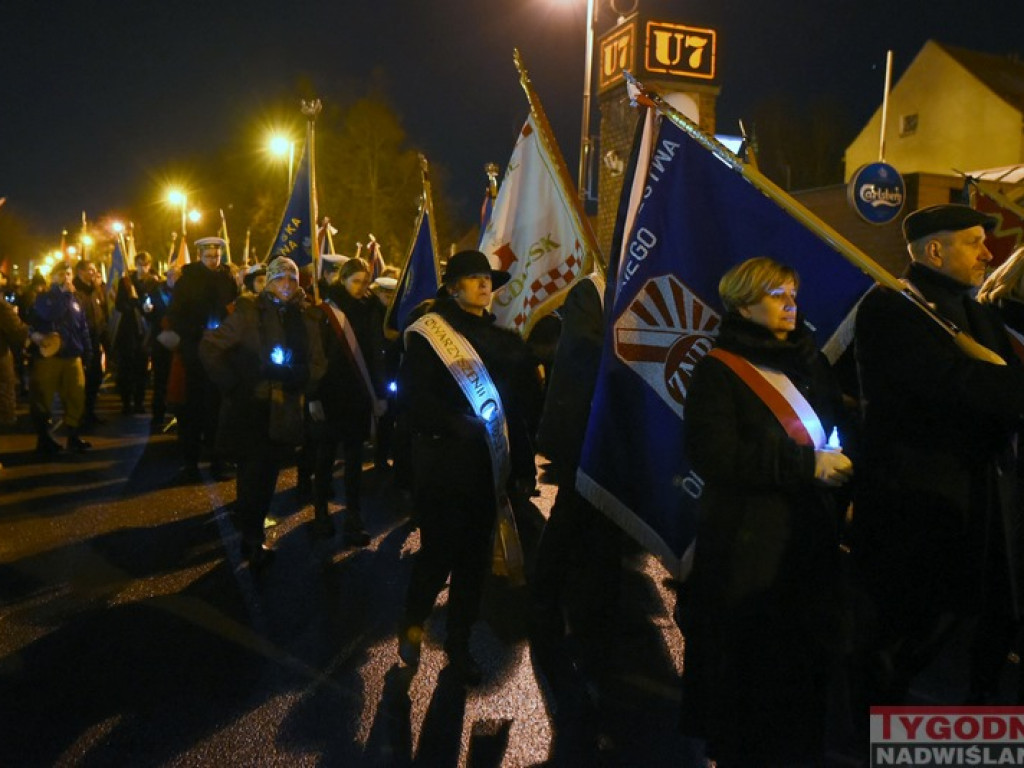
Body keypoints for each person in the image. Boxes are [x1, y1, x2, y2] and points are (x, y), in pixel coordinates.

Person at [679, 257, 853, 765]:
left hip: (810, 541)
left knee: (803, 679)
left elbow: (835, 431)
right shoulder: (720, 369)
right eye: (777, 295)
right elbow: (713, 454)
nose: (791, 305)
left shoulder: (811, 362)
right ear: (743, 303)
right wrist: (803, 465)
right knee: (753, 682)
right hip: (748, 546)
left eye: (793, 294)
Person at [852, 204, 1024, 707]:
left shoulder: (972, 309)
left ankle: (980, 732)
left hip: (977, 501)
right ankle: (879, 742)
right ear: (934, 250)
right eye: (974, 242)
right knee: (905, 638)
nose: (987, 253)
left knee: (988, 622)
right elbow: (953, 386)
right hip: (914, 506)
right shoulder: (892, 308)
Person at [397, 249, 539, 685]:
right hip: (444, 464)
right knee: (438, 553)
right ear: (453, 287)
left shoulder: (502, 339)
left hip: (486, 469)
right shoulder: (429, 335)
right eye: (474, 278)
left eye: (487, 278)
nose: (484, 285)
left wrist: (522, 466)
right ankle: (414, 620)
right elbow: (413, 401)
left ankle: (459, 646)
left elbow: (514, 411)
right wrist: (457, 424)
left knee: (475, 564)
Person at [200, 256, 326, 569]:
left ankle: (251, 531)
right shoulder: (249, 311)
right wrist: (233, 384)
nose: (286, 285)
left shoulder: (307, 315)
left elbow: (318, 363)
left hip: (284, 409)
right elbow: (210, 346)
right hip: (252, 408)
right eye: (280, 279)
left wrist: (299, 377)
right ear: (268, 281)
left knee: (268, 475)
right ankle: (252, 538)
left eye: (292, 279)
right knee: (251, 475)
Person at [532, 272, 624, 641]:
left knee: (612, 522)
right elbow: (583, 353)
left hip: (619, 434)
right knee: (571, 514)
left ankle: (601, 610)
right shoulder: (592, 290)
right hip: (584, 432)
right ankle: (544, 599)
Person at [304, 257, 385, 544]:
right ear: (343, 280)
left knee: (354, 460)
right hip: (329, 394)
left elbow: (376, 354)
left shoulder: (373, 308)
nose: (362, 287)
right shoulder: (325, 311)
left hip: (359, 394)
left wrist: (380, 394)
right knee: (325, 457)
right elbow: (316, 356)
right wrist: (313, 396)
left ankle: (353, 515)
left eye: (366, 281)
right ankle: (321, 514)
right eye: (356, 281)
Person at [167, 237, 238, 482]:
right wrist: (199, 331)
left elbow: (234, 311)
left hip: (221, 352)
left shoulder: (227, 279)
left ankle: (219, 460)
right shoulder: (187, 281)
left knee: (218, 409)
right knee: (192, 409)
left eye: (216, 256)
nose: (213, 260)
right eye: (209, 256)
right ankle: (190, 463)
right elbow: (175, 316)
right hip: (195, 351)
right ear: (200, 256)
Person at [28, 262, 94, 454]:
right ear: (53, 277)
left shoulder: (75, 300)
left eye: (69, 273)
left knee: (76, 397)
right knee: (44, 399)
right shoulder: (44, 298)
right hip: (50, 358)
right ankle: (44, 439)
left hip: (72, 356)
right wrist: (65, 295)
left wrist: (87, 351)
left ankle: (73, 436)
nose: (66, 277)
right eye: (62, 274)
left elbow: (82, 327)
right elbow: (50, 314)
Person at [113, 251, 156, 415]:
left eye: (145, 265)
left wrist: (149, 309)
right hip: (129, 331)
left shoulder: (154, 283)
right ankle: (126, 403)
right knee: (126, 369)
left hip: (145, 331)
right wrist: (131, 303)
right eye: (140, 264)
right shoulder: (126, 282)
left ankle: (139, 402)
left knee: (142, 369)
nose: (143, 268)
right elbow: (119, 305)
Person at [72, 260, 107, 428]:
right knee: (82, 381)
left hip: (95, 340)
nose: (93, 273)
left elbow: (99, 316)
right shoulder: (75, 292)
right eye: (90, 270)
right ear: (80, 272)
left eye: (95, 270)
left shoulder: (95, 292)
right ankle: (79, 415)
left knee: (95, 377)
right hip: (81, 342)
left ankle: (89, 410)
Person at [147, 266, 178, 432]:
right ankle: (158, 418)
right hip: (161, 342)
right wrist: (148, 312)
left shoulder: (185, 294)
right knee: (160, 381)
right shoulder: (156, 293)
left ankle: (178, 416)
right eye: (171, 275)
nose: (174, 278)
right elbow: (149, 314)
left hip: (180, 343)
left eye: (177, 275)